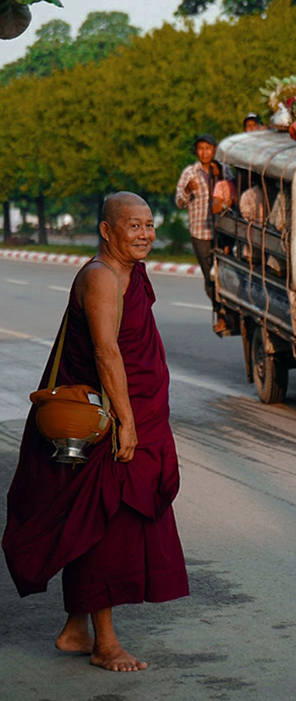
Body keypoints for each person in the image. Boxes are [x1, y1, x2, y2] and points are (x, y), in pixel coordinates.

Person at [2, 192, 189, 672]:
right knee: (105, 525)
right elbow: (107, 353)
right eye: (133, 225)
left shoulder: (133, 274)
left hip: (139, 414)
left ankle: (74, 629)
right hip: (110, 424)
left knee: (102, 521)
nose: (145, 233)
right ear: (107, 231)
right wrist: (127, 422)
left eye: (149, 224)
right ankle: (105, 642)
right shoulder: (101, 278)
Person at [175, 134, 227, 330]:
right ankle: (220, 312)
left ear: (214, 150)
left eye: (208, 148)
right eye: (201, 149)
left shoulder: (221, 171)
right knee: (210, 276)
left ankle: (230, 309)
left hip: (222, 231)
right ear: (196, 151)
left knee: (225, 272)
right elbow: (179, 202)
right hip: (200, 232)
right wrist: (188, 190)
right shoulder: (190, 173)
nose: (205, 152)